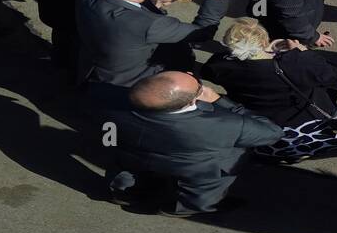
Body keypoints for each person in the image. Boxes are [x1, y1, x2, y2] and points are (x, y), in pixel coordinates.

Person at [113, 70, 282, 217]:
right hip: (194, 166)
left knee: (124, 161)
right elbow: (272, 133)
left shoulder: (106, 102)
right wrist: (221, 101)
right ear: (191, 101)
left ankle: (125, 192)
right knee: (234, 154)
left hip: (134, 154)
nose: (192, 74)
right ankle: (188, 207)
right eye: (198, 87)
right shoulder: (228, 124)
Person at [197, 17, 337, 162]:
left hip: (261, 123)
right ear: (263, 42)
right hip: (305, 117)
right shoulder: (294, 63)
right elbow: (335, 75)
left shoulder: (219, 65)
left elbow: (209, 70)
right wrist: (301, 52)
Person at [77, 0, 223, 89]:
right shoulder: (152, 24)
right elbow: (202, 32)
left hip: (97, 65)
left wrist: (156, 3)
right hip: (132, 81)